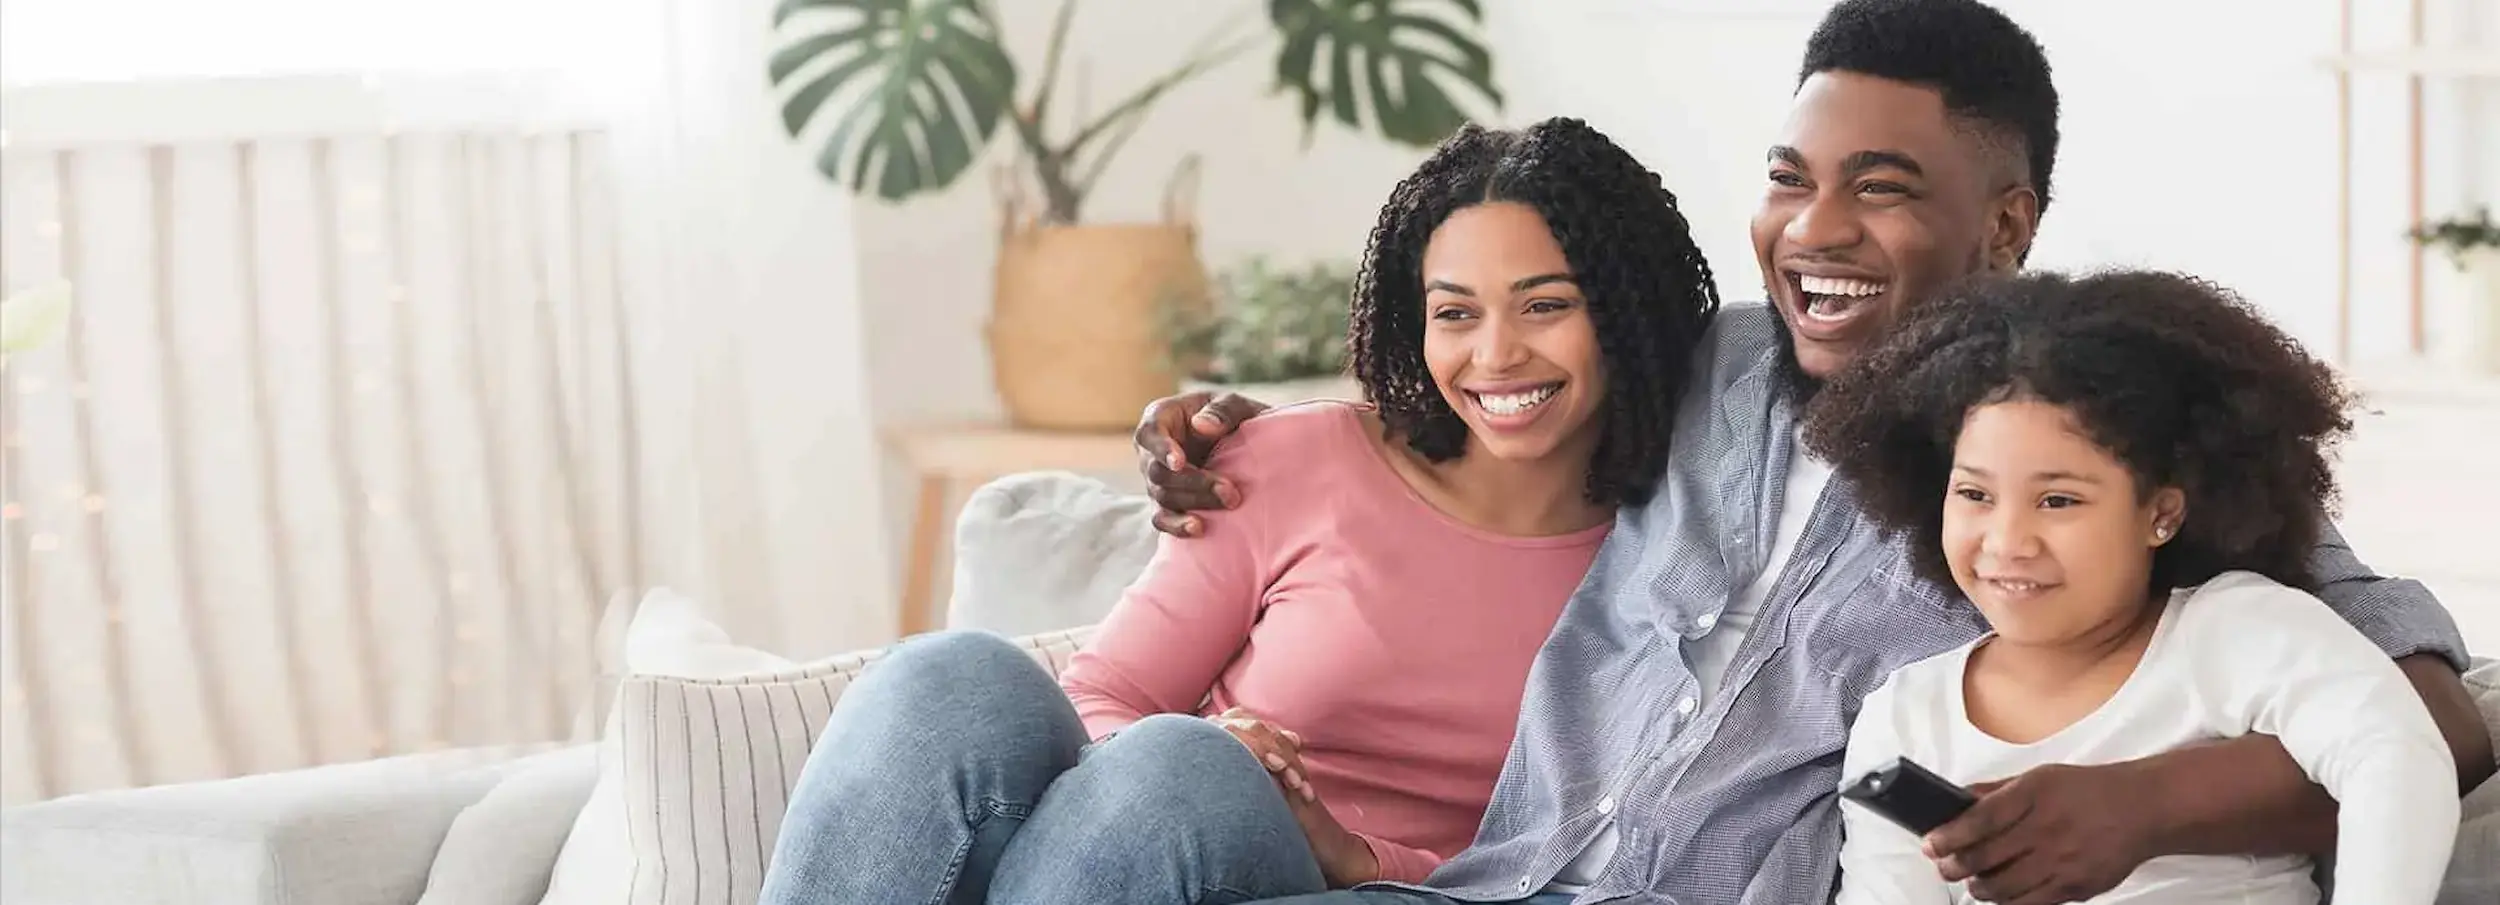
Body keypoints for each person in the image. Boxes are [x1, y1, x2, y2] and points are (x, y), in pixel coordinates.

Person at [1133, 2, 2497, 904]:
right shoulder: (1693, 362)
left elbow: (2434, 713)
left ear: (2007, 224)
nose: (1813, 228)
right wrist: (1221, 423)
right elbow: (1478, 383)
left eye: (1883, 189)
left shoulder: (2088, 425)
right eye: (1792, 177)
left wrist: (2146, 802)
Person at [753, 116, 1722, 905]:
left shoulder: (1674, 558)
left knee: (1183, 767)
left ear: (1626, 313)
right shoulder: (1296, 461)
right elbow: (1109, 693)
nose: (1495, 354)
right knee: (951, 672)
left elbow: (1592, 857)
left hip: (1369, 885)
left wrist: (1352, 851)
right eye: (1456, 312)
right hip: (1131, 854)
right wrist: (1203, 748)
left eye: (1544, 305)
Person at [1809, 269, 2461, 904]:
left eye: (2058, 499)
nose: (2008, 539)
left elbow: (2396, 754)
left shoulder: (2235, 632)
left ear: (2162, 512)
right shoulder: (1906, 715)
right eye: (1975, 493)